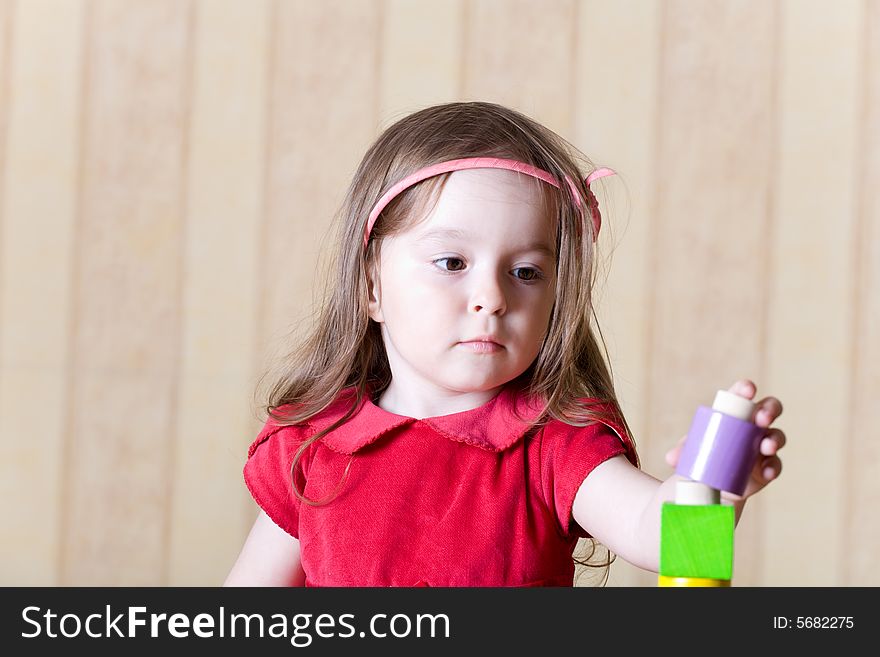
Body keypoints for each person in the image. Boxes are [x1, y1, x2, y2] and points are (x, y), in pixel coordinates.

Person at [223, 101, 786, 587]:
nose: (491, 297)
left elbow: (672, 547)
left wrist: (714, 486)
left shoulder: (554, 445)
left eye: (525, 272)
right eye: (452, 263)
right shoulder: (311, 446)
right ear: (370, 286)